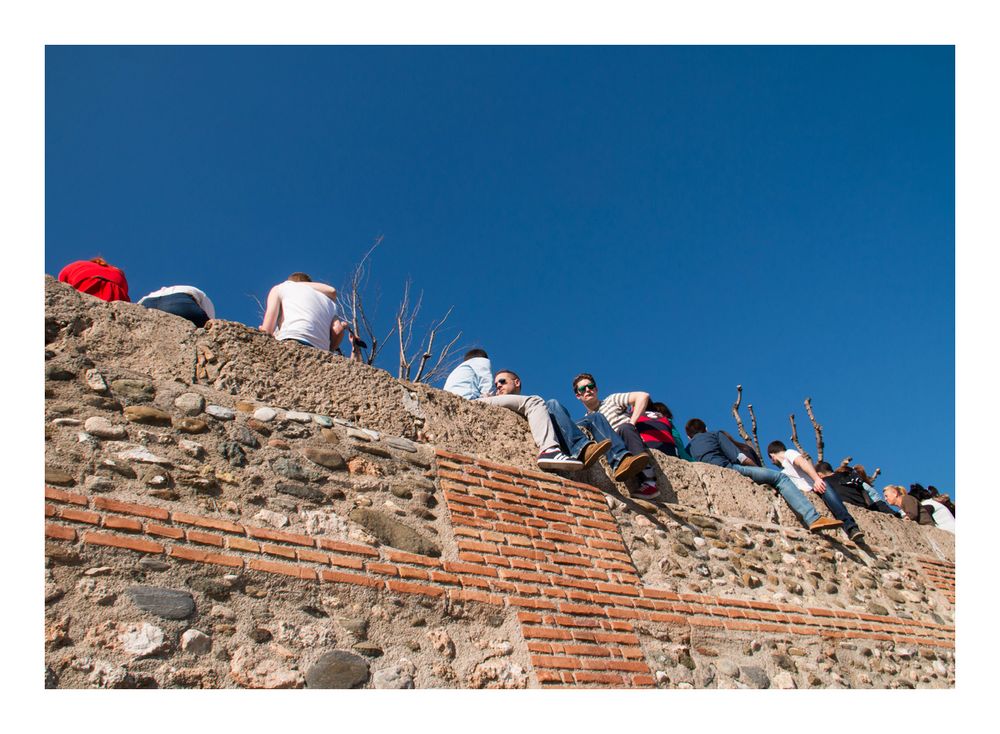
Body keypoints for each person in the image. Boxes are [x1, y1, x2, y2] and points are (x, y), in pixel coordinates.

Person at [479, 370, 648, 483]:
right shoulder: (499, 400)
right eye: (496, 384)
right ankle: (582, 448)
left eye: (502, 381)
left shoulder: (528, 403)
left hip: (569, 425)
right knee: (550, 403)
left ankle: (620, 461)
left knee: (592, 416)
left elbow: (642, 395)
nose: (498, 386)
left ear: (516, 382)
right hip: (550, 437)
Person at [684, 418, 844, 533]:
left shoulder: (689, 447)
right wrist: (759, 470)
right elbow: (739, 457)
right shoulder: (714, 434)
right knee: (780, 478)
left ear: (689, 436)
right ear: (705, 428)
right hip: (728, 469)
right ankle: (812, 517)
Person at [571, 374, 661, 498]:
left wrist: (631, 422)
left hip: (627, 436)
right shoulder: (587, 421)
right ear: (578, 395)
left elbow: (642, 396)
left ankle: (649, 482)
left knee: (625, 428)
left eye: (590, 386)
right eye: (582, 389)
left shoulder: (611, 400)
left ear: (596, 389)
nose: (587, 390)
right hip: (611, 447)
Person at [767, 442, 864, 541]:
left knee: (824, 486)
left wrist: (817, 479)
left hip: (816, 487)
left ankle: (851, 527)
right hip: (805, 493)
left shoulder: (789, 453)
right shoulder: (783, 472)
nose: (772, 463)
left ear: (772, 455)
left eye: (771, 460)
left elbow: (802, 463)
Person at [259, 272, 348, 354]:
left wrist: (263, 331)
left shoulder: (281, 287)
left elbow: (267, 330)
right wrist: (329, 351)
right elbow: (338, 329)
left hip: (291, 339)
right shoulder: (330, 303)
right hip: (320, 351)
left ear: (291, 282)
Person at [815, 461, 896, 515]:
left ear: (819, 475)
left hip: (848, 510)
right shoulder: (849, 477)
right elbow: (866, 494)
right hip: (865, 507)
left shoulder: (824, 483)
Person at [883, 485, 955, 532]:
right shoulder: (905, 503)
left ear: (895, 493)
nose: (885, 499)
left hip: (945, 531)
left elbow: (912, 515)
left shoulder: (907, 499)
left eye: (886, 496)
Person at [138, 285, 216, 328]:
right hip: (180, 302)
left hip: (147, 302)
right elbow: (210, 323)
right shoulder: (201, 294)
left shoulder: (152, 293)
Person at [58, 257, 130, 302]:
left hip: (87, 286)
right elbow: (124, 291)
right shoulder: (117, 271)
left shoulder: (77, 264)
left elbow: (61, 287)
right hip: (116, 296)